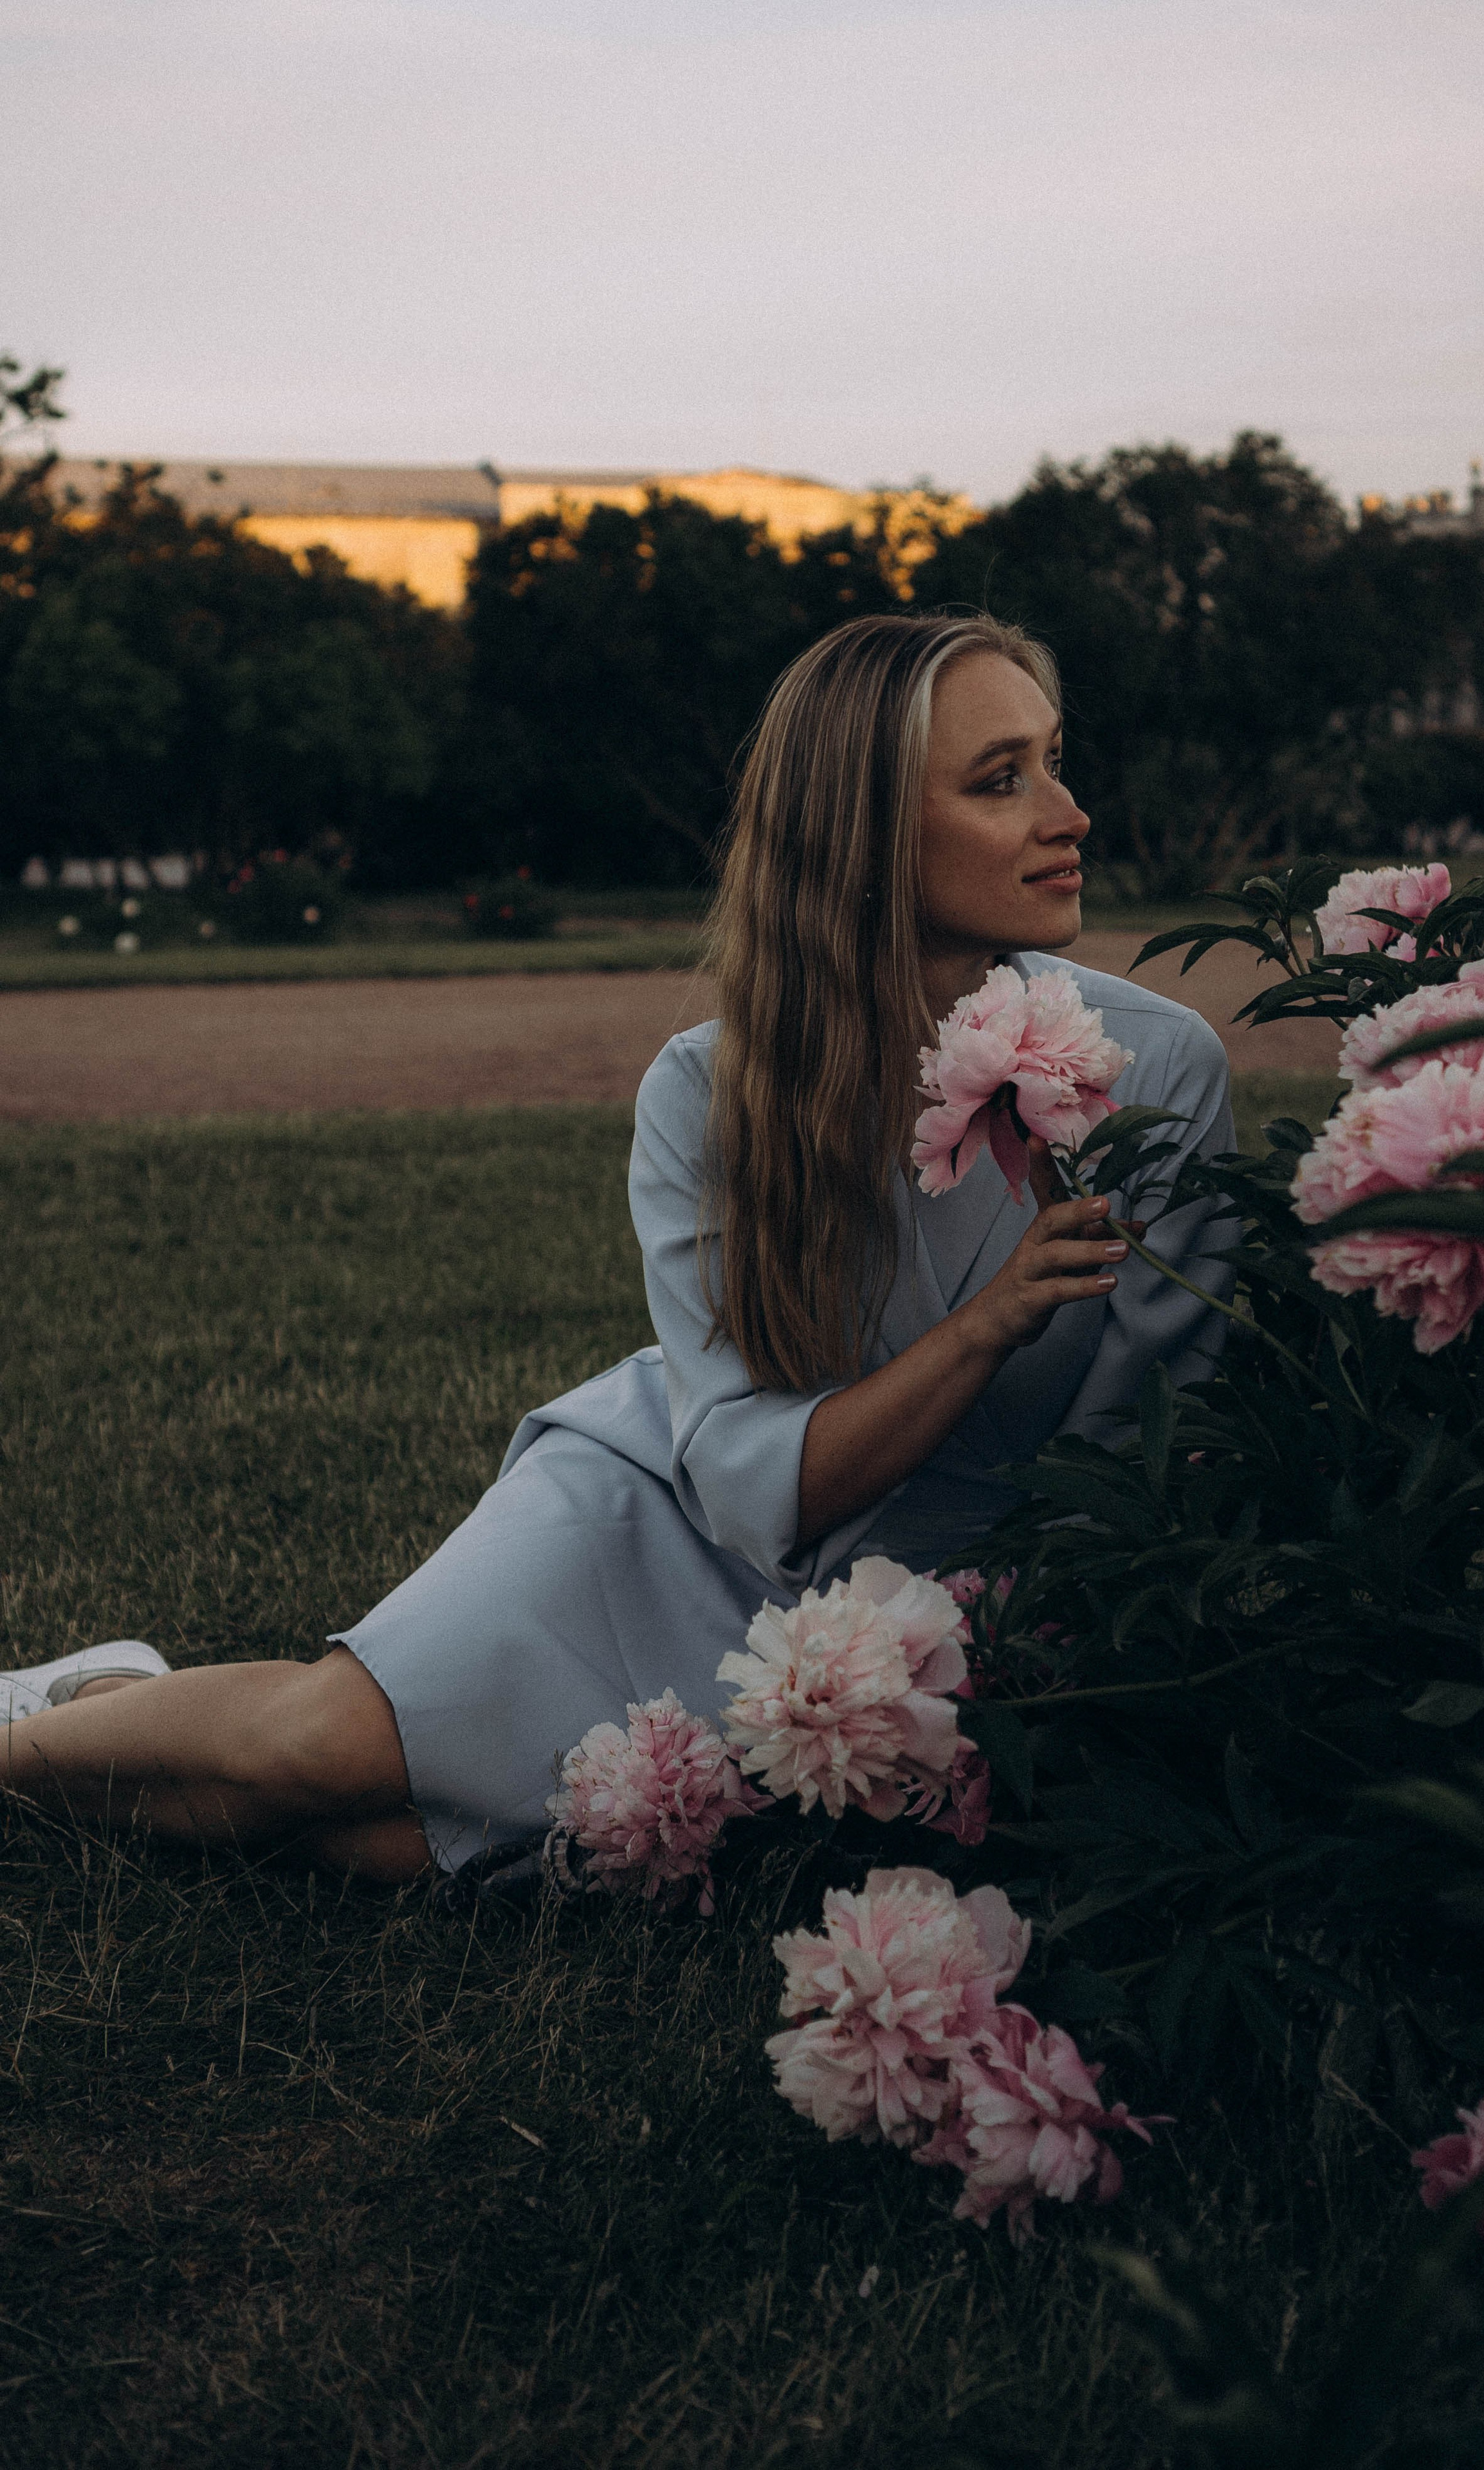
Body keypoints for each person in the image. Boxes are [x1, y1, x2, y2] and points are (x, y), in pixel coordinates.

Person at [1, 614, 1234, 1884]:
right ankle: (30, 1732)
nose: (1068, 811)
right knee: (312, 1756)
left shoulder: (1160, 1073)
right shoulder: (712, 1091)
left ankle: (115, 1698)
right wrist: (984, 1327)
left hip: (962, 1613)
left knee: (398, 1846)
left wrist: (987, 1687)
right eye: (1000, 779)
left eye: (1053, 759)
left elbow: (1143, 1473)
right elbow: (754, 1485)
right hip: (671, 1519)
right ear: (863, 835)